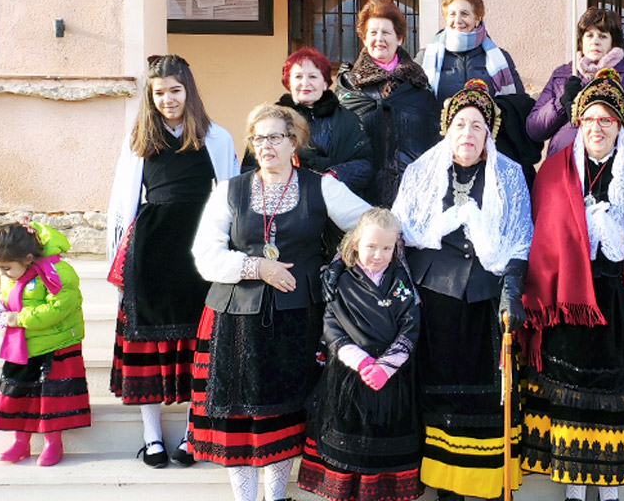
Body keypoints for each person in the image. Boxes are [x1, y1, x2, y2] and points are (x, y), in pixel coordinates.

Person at [189, 103, 369, 501]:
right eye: (258, 137)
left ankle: (274, 497)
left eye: (275, 136)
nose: (266, 145)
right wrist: (257, 267)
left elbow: (369, 226)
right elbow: (205, 254)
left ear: (294, 142)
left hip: (296, 317)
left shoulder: (320, 186)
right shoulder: (230, 191)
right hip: (234, 317)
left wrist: (336, 266)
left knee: (282, 414)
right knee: (237, 416)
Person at [521, 68, 624, 500]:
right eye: (589, 119)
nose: (597, 127)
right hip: (569, 300)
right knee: (572, 396)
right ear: (578, 124)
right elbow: (543, 232)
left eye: (607, 120)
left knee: (615, 395)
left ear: (620, 125)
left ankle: (611, 490)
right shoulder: (553, 171)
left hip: (620, 296)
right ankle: (573, 488)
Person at [392, 79, 532, 500]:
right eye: (460, 125)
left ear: (488, 135)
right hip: (434, 299)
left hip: (487, 300)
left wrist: (512, 289)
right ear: (446, 131)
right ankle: (446, 487)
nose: (467, 134)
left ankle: (486, 483)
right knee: (440, 394)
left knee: (486, 395)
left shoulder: (509, 177)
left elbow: (520, 240)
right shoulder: (421, 175)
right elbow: (400, 236)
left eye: (477, 126)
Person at [106, 54, 239, 468]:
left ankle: (190, 434)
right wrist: (118, 260)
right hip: (151, 249)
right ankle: (151, 437)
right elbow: (121, 203)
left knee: (198, 344)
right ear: (151, 94)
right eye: (159, 92)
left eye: (175, 90)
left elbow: (232, 194)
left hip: (200, 250)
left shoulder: (216, 137)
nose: (168, 99)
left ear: (189, 91)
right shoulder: (139, 141)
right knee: (151, 341)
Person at [297, 208, 423, 501]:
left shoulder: (401, 283)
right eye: (370, 246)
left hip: (390, 382)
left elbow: (411, 326)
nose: (378, 255)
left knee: (383, 453)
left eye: (386, 248)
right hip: (348, 379)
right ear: (355, 244)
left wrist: (386, 366)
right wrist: (359, 360)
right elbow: (331, 326)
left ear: (396, 248)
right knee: (351, 451)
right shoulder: (341, 282)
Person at [0, 221, 89, 467]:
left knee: (51, 397)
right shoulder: (11, 275)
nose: (3, 274)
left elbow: (59, 307)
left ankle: (53, 443)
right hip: (22, 345)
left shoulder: (58, 272)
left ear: (27, 257)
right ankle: (20, 442)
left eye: (6, 268)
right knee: (19, 394)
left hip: (56, 344)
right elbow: (11, 299)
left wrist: (20, 318)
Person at [418, 0, 541, 186]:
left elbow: (517, 104)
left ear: (478, 18)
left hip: (489, 156)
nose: (458, 20)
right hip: (441, 152)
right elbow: (417, 105)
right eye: (452, 14)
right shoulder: (426, 57)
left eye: (465, 13)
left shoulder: (500, 57)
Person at [336, 0, 440, 206]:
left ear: (399, 38)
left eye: (386, 32)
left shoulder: (419, 86)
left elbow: (432, 145)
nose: (379, 39)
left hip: (411, 196)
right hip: (360, 196)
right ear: (364, 38)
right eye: (372, 33)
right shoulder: (349, 85)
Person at [241, 46, 373, 195]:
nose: (305, 83)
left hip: (333, 200)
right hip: (283, 203)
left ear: (325, 83)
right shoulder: (268, 121)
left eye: (313, 76)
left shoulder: (348, 120)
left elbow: (364, 164)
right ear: (288, 83)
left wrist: (334, 175)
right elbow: (250, 169)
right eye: (298, 77)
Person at [527, 6, 624, 157]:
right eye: (589, 35)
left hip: (608, 165)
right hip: (563, 164)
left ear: (613, 42)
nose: (595, 41)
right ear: (581, 41)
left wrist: (604, 105)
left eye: (603, 36)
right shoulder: (562, 74)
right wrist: (561, 103)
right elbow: (534, 129)